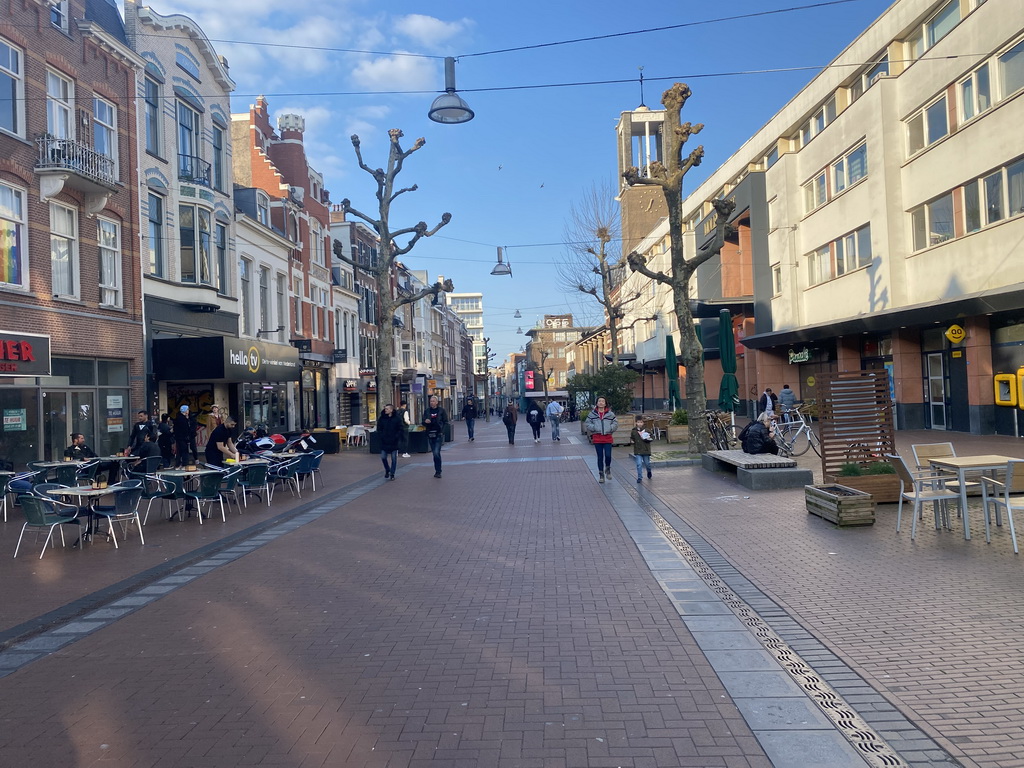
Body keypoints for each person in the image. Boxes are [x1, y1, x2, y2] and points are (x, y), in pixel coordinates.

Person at [584, 396, 618, 483]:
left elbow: (615, 423)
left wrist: (610, 428)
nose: (601, 403)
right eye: (599, 401)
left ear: (605, 403)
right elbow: (587, 423)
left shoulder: (610, 414)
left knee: (608, 455)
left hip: (607, 438)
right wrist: (594, 428)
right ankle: (601, 475)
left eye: (603, 401)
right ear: (597, 403)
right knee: (600, 457)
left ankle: (608, 468)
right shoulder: (592, 414)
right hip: (597, 438)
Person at [421, 395, 449, 478]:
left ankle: (438, 471)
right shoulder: (427, 411)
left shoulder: (441, 411)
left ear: (437, 402)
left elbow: (445, 421)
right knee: (434, 453)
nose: (431, 402)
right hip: (430, 433)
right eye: (430, 401)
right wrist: (425, 421)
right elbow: (423, 421)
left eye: (433, 401)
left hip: (438, 434)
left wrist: (442, 431)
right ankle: (437, 469)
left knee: (436, 452)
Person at [376, 404, 403, 480]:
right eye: (385, 409)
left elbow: (400, 428)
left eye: (387, 409)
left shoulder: (397, 419)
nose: (385, 410)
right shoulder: (382, 418)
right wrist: (381, 435)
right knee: (383, 457)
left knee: (394, 458)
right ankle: (387, 469)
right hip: (384, 441)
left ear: (391, 410)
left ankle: (392, 473)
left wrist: (397, 436)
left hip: (394, 441)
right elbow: (379, 428)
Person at [630, 415, 654, 483]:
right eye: (638, 422)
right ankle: (639, 477)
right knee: (639, 464)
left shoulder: (647, 430)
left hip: (646, 450)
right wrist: (632, 441)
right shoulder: (634, 431)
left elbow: (652, 438)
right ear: (636, 423)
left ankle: (649, 471)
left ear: (643, 423)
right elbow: (632, 438)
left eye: (641, 422)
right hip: (638, 450)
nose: (639, 424)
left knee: (647, 464)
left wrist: (647, 438)